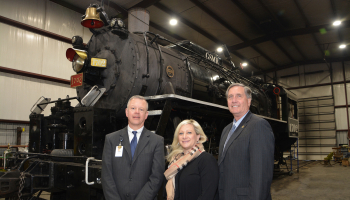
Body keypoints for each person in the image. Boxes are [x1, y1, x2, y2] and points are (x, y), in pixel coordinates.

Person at [218, 83, 275, 200]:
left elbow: (261, 177)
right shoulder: (226, 130)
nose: (234, 100)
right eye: (230, 97)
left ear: (249, 101)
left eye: (239, 96)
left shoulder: (258, 125)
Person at [102, 95, 165, 200]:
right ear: (127, 112)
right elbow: (106, 175)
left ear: (146, 115)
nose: (137, 112)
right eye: (133, 108)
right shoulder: (111, 139)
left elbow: (156, 177)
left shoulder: (157, 141)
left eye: (141, 109)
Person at [164, 119, 219, 200]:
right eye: (181, 133)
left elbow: (207, 195)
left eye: (189, 132)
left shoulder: (206, 160)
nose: (184, 136)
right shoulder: (174, 162)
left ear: (198, 137)